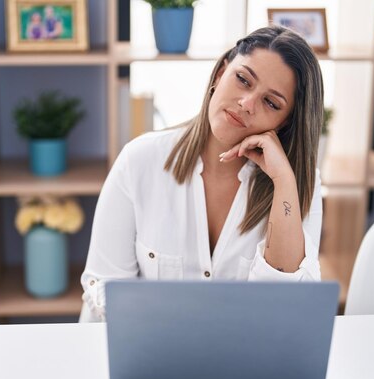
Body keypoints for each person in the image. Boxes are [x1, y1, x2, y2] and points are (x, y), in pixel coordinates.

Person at [79, 26, 324, 322]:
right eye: (243, 80)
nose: (246, 104)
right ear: (221, 73)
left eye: (271, 103)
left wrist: (284, 181)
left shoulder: (295, 184)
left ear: (285, 123)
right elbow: (103, 284)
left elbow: (288, 306)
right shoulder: (140, 160)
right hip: (151, 354)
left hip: (246, 363)